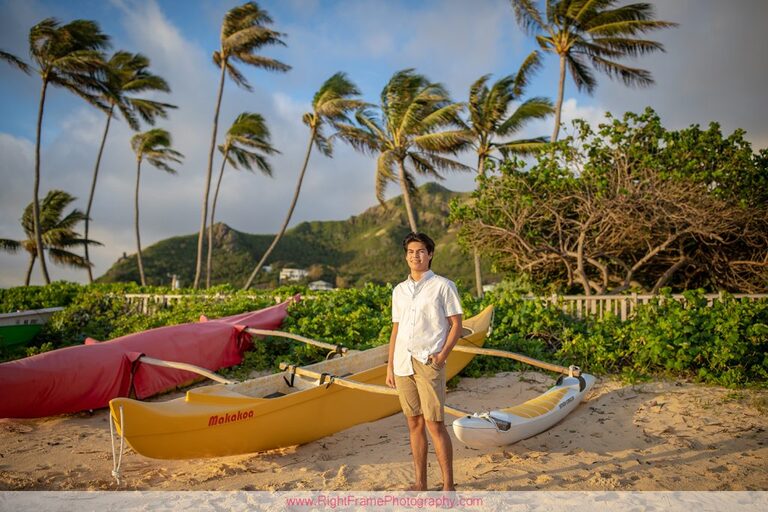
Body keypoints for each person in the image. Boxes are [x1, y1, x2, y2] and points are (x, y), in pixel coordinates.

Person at [386, 232, 463, 491]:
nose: (414, 256)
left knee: (435, 424)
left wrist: (442, 356)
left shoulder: (443, 285)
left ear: (430, 254)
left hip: (429, 361)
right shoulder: (399, 290)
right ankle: (420, 483)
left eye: (420, 251)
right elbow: (396, 329)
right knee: (414, 423)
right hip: (402, 363)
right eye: (410, 252)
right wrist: (390, 366)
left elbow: (456, 324)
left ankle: (448, 486)